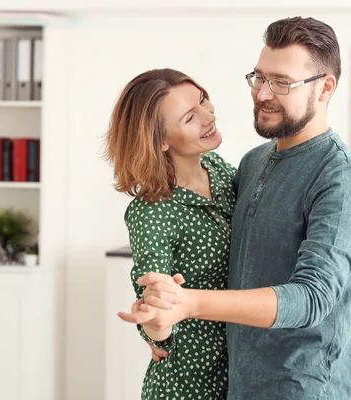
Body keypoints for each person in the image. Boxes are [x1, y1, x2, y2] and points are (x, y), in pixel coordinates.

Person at [119, 16, 351, 400]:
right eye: (259, 77)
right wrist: (159, 324)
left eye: (282, 83)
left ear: (324, 89)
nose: (262, 94)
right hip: (235, 383)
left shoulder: (342, 179)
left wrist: (189, 305)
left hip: (300, 389)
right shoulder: (253, 162)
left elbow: (313, 297)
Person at [104, 68, 236, 400]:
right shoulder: (152, 212)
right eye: (191, 117)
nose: (209, 116)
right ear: (159, 140)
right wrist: (155, 326)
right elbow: (154, 302)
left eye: (203, 100)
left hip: (241, 368)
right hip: (189, 384)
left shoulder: (219, 169)